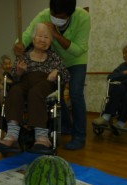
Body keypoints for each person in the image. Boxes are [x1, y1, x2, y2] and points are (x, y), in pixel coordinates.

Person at [14, 0, 91, 150]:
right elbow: (28, 34)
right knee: (57, 95)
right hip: (56, 61)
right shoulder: (44, 15)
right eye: (53, 14)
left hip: (76, 61)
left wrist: (55, 34)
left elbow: (79, 49)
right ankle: (66, 126)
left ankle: (79, 136)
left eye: (59, 16)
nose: (54, 17)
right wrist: (19, 44)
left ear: (70, 14)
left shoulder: (83, 17)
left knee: (76, 93)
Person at [0, 23, 69, 152]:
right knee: (15, 90)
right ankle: (12, 135)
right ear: (33, 38)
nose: (42, 40)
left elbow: (66, 75)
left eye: (46, 37)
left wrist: (56, 73)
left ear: (51, 41)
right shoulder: (24, 56)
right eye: (39, 36)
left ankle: (42, 138)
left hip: (45, 84)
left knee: (35, 92)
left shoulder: (54, 57)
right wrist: (19, 72)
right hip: (25, 82)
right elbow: (13, 75)